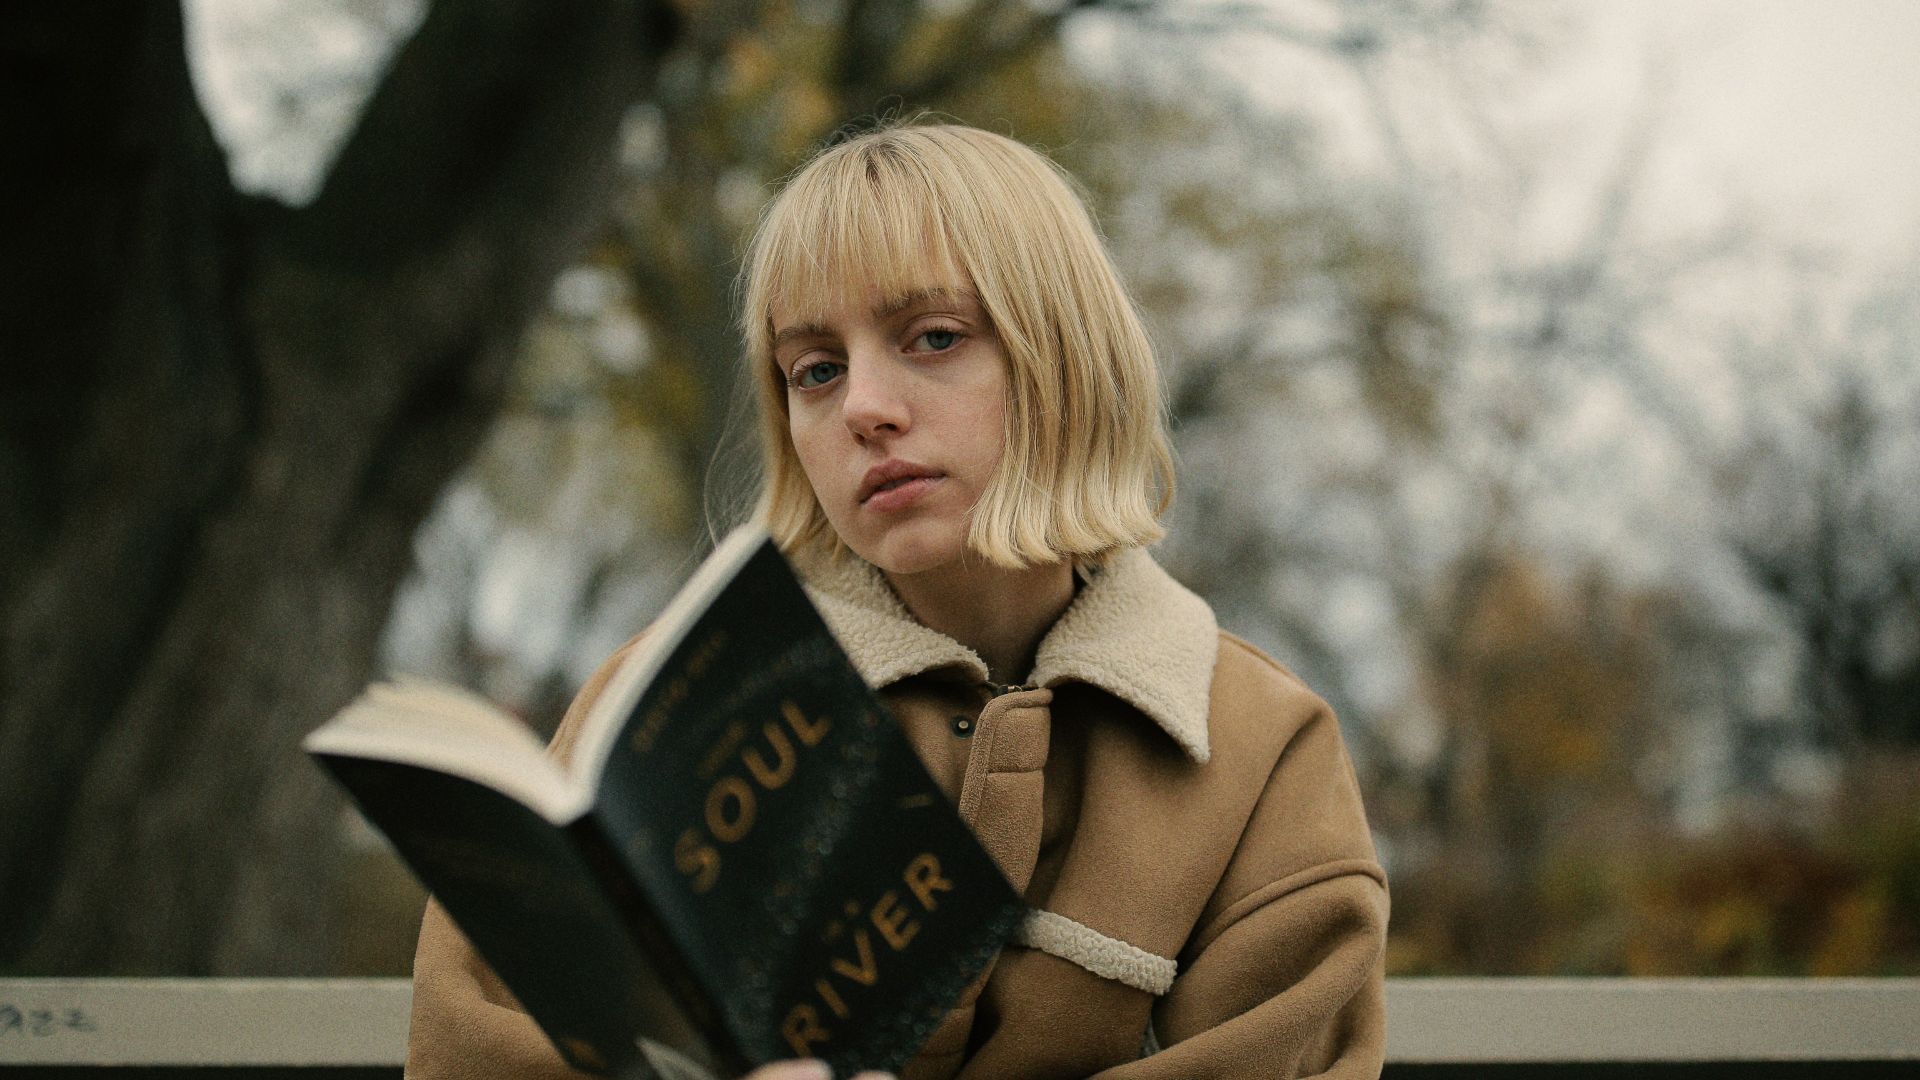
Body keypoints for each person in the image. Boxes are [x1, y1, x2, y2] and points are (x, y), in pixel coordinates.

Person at [407, 121, 1388, 1079]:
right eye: (816, 371)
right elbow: (478, 1044)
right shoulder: (671, 705)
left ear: (1065, 361)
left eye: (933, 337)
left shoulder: (1260, 744)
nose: (864, 408)